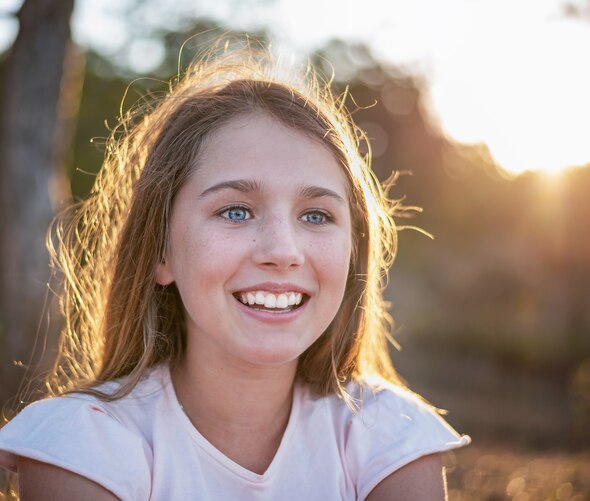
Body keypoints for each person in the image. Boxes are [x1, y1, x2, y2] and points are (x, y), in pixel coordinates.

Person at [0, 44, 469, 500]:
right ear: (161, 251)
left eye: (316, 215)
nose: (283, 252)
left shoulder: (388, 437)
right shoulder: (83, 446)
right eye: (237, 211)